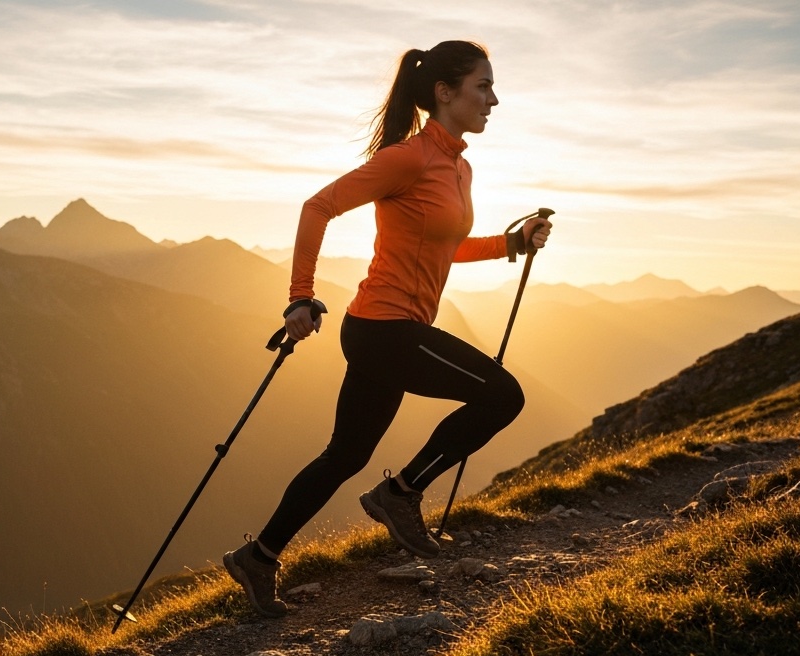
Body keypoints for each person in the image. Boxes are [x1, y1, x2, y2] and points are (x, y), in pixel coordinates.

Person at [223, 40, 553, 617]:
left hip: (392, 329)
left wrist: (511, 243)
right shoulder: (408, 158)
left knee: (344, 454)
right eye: (483, 87)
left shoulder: (459, 166)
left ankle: (259, 557)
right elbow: (316, 207)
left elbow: (444, 246)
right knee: (503, 395)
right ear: (444, 93)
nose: (494, 100)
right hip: (384, 328)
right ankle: (400, 495)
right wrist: (301, 296)